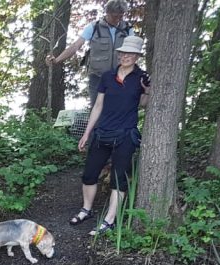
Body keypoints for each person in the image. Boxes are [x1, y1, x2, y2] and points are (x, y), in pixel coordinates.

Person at [69, 35, 150, 235]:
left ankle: (109, 220)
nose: (126, 56)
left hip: (125, 135)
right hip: (102, 132)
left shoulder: (141, 78)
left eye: (131, 53)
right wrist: (87, 133)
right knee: (89, 174)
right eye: (123, 52)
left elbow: (144, 104)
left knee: (118, 178)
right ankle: (86, 209)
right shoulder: (107, 76)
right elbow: (98, 105)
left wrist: (147, 90)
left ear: (137, 56)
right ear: (119, 53)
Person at [45, 0, 134, 103]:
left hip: (120, 77)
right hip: (97, 78)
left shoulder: (127, 29)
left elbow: (133, 51)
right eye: (115, 16)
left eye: (121, 16)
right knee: (96, 110)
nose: (118, 19)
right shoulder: (94, 27)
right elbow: (75, 46)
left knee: (118, 110)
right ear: (107, 13)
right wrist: (57, 60)